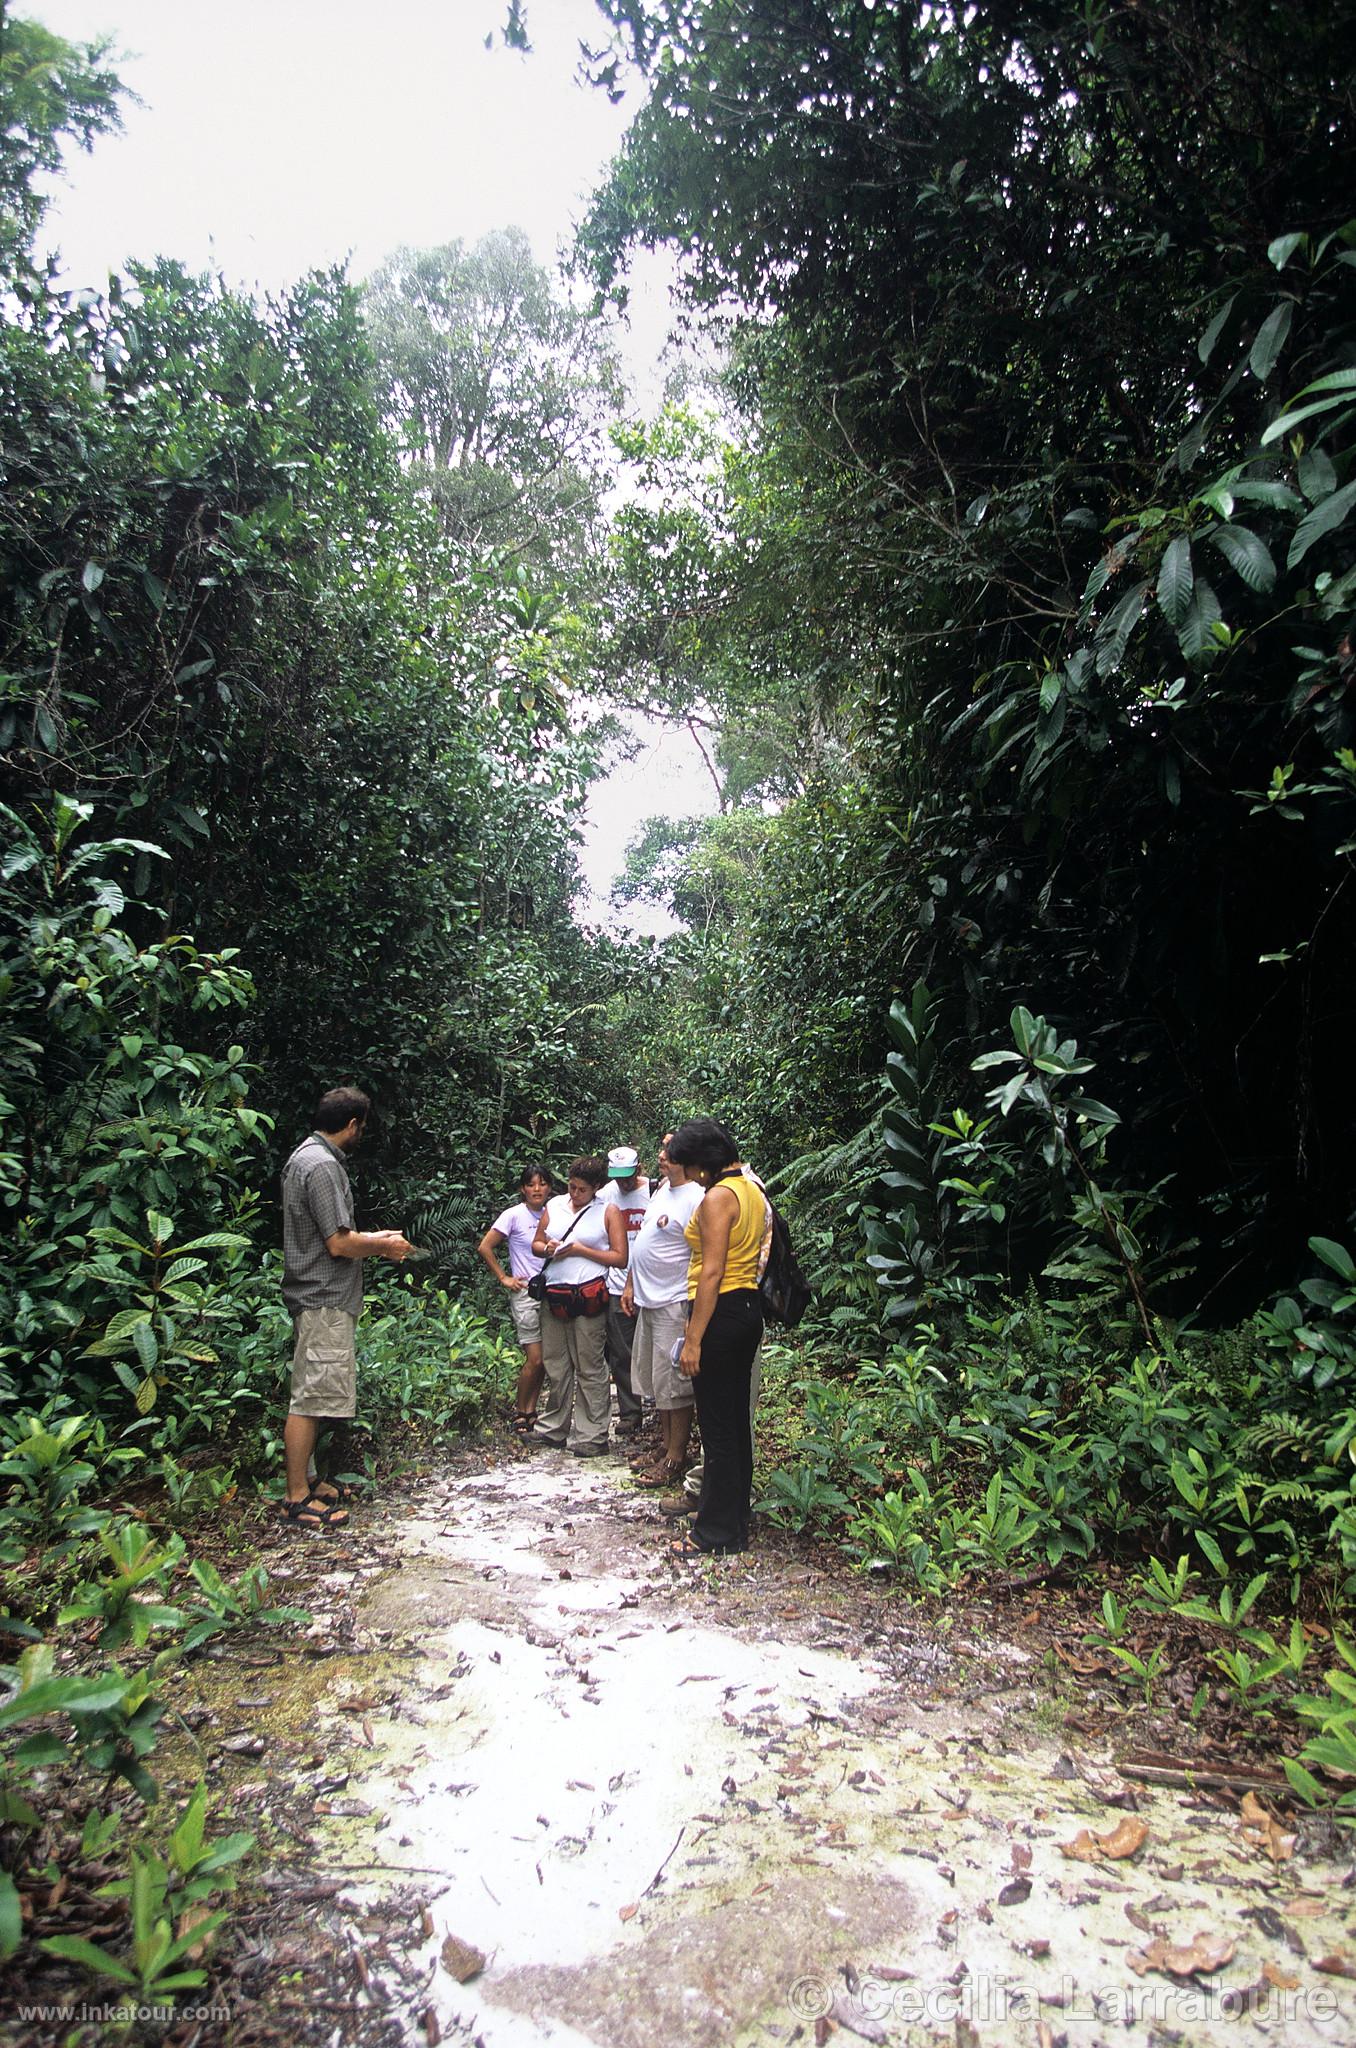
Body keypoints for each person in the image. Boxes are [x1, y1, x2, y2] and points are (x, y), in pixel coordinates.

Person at [280, 1087, 412, 1529]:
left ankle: (311, 1480)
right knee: (309, 1396)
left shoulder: (309, 1157)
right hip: (322, 1297)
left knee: (316, 1394)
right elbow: (338, 1243)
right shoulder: (320, 1166)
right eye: (363, 1127)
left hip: (320, 1296)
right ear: (353, 1124)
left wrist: (377, 1238)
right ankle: (297, 1496)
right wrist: (385, 1246)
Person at [666, 1118, 767, 1557]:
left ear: (702, 1161)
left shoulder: (717, 1199)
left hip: (719, 1311)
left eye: (686, 1164)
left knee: (718, 1428)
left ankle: (714, 1533)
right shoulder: (751, 1190)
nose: (684, 1172)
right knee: (734, 1426)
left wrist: (693, 1339)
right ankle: (731, 1518)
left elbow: (711, 1271)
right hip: (746, 1310)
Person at [530, 1157, 628, 1457]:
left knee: (590, 1366)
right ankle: (553, 1428)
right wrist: (546, 1248)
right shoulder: (556, 1206)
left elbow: (620, 1257)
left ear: (596, 1188)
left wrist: (581, 1250)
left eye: (581, 1190)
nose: (574, 1194)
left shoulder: (608, 1212)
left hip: (588, 1296)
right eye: (571, 1186)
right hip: (555, 1294)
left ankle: (593, 1434)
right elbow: (536, 1243)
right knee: (556, 1363)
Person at [622, 1132, 704, 1489]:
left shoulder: (698, 1197)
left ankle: (676, 1455)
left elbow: (702, 1254)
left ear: (686, 1157)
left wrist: (692, 1309)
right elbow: (643, 1241)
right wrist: (629, 1283)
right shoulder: (660, 1192)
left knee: (676, 1386)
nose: (661, 1155)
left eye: (669, 1151)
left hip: (675, 1301)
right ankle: (666, 1444)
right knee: (658, 1382)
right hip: (648, 1300)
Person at [477, 1165, 553, 1434]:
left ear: (549, 1188)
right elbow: (485, 1247)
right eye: (531, 1184)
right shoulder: (513, 1215)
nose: (537, 1189)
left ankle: (532, 1409)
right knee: (534, 1357)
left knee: (545, 1358)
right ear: (523, 1188)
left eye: (542, 1184)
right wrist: (504, 1278)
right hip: (525, 1292)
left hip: (551, 1291)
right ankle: (521, 1410)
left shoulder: (554, 1213)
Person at [602, 1145, 650, 1439]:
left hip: (652, 1284)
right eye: (619, 1177)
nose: (624, 1182)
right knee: (621, 1352)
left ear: (639, 1169)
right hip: (618, 1284)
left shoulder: (655, 1191)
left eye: (628, 1176)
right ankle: (631, 1412)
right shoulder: (607, 1195)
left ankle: (661, 1406)